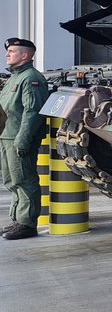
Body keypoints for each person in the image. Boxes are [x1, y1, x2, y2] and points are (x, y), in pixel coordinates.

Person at [0, 38, 50, 241]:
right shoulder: (14, 77)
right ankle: (17, 220)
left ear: (25, 55)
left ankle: (27, 224)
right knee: (11, 180)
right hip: (7, 135)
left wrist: (23, 139)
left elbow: (32, 112)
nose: (7, 54)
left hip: (18, 137)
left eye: (11, 51)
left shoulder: (30, 78)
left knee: (24, 179)